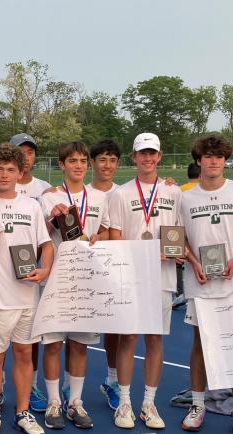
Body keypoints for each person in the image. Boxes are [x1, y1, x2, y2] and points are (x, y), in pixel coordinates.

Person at [178, 134, 233, 434]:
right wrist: (193, 262)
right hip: (200, 284)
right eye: (208, 156)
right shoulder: (184, 197)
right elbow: (176, 236)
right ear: (198, 160)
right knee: (199, 344)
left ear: (225, 160)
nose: (213, 161)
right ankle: (197, 404)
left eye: (219, 156)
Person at [107, 133, 183, 430]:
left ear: (160, 156)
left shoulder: (174, 193)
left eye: (152, 153)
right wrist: (137, 258)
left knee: (155, 340)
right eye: (142, 153)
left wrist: (173, 252)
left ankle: (148, 403)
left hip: (162, 278)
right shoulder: (120, 194)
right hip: (130, 278)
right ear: (134, 157)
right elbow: (115, 238)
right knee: (128, 338)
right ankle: (124, 401)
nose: (148, 158)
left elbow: (178, 232)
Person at [0, 143, 54, 434]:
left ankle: (22, 411)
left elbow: (46, 244)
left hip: (27, 294)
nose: (4, 174)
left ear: (20, 172)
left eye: (11, 169)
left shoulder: (31, 205)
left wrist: (46, 269)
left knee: (24, 354)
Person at [39, 141, 110, 430]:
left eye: (83, 160)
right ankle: (54, 402)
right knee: (54, 344)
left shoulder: (100, 197)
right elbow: (40, 235)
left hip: (87, 279)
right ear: (62, 165)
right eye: (72, 161)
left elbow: (106, 230)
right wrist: (52, 221)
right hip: (57, 278)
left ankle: (75, 403)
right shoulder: (48, 197)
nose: (78, 165)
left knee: (80, 345)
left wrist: (97, 238)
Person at [6, 133, 52, 413]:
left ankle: (31, 385)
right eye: (19, 152)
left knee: (30, 340)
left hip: (30, 274)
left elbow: (47, 232)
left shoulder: (46, 189)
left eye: (30, 152)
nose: (25, 156)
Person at [87, 139, 126, 410]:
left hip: (114, 270)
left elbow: (114, 233)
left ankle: (112, 380)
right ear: (93, 162)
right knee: (76, 333)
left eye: (112, 160)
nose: (107, 165)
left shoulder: (123, 194)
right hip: (84, 272)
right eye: (102, 159)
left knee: (115, 330)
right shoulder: (82, 192)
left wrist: (98, 236)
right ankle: (68, 389)